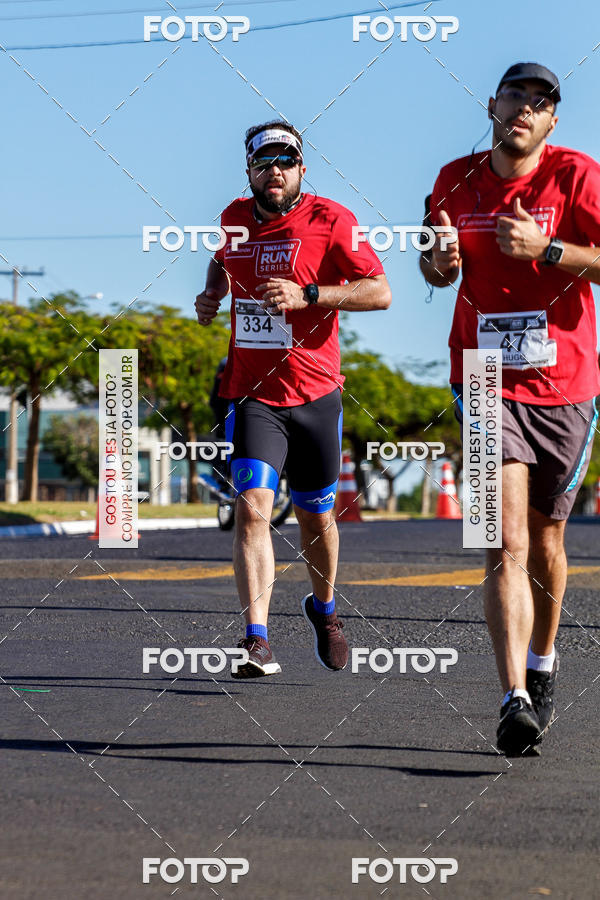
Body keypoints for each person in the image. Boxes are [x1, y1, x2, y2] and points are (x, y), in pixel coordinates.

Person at [420, 62, 600, 756]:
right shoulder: (453, 180)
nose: (526, 108)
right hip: (484, 375)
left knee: (548, 541)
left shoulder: (577, 177)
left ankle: (543, 661)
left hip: (565, 384)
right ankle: (511, 698)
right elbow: (436, 267)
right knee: (504, 542)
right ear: (492, 105)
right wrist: (438, 266)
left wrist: (546, 249)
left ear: (553, 122)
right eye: (517, 96)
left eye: (542, 102)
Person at [196, 120, 391, 679]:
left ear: (302, 169)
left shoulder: (333, 220)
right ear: (250, 171)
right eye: (265, 162)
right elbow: (220, 258)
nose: (275, 171)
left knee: (315, 517)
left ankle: (325, 610)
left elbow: (380, 292)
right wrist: (213, 293)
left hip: (316, 396)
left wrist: (309, 295)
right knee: (252, 510)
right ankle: (256, 639)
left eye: (286, 161)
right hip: (254, 395)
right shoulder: (234, 219)